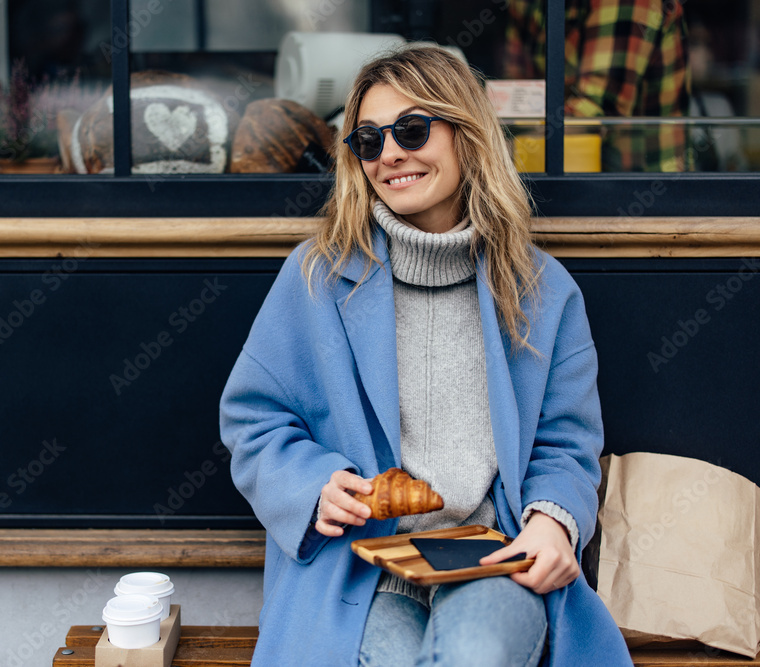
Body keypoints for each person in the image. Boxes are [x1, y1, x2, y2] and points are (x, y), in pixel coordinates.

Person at [219, 46, 631, 666]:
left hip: (492, 557)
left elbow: (565, 442)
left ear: (466, 135)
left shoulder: (541, 292)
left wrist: (553, 521)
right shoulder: (317, 279)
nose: (389, 154)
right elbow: (254, 420)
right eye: (368, 139)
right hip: (359, 567)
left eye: (412, 130)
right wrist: (311, 485)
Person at [504, 0, 692, 172]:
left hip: (644, 185)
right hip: (562, 178)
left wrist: (496, 151)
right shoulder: (529, 5)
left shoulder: (629, 4)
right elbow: (514, 97)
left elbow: (594, 111)